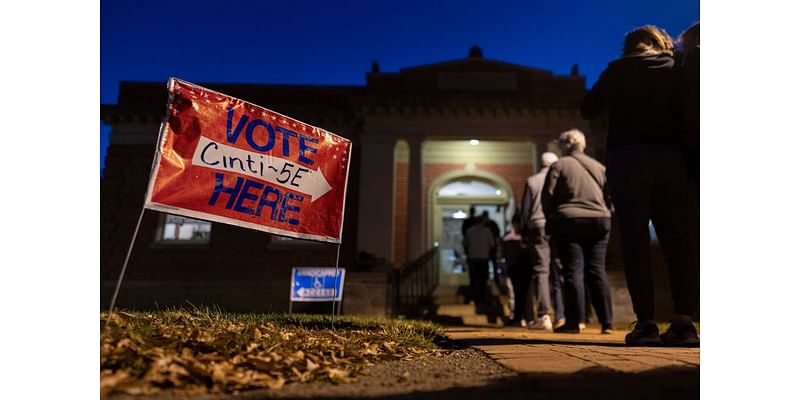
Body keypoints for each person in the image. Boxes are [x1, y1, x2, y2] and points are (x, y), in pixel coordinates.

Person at [581, 25, 700, 346]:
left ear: (629, 47)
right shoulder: (677, 68)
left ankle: (646, 324)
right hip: (670, 159)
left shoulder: (618, 70)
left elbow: (588, 108)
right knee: (678, 242)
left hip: (628, 160)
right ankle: (684, 323)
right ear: (661, 43)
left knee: (634, 242)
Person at [542, 129, 614, 334]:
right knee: (597, 269)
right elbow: (609, 194)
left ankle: (574, 321)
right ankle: (606, 322)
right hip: (600, 220)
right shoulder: (599, 167)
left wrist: (550, 216)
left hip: (568, 220)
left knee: (573, 270)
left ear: (564, 146)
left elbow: (548, 195)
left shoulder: (559, 165)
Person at [520, 152, 561, 330]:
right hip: (557, 225)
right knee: (560, 270)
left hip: (537, 226)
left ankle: (544, 314)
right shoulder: (560, 178)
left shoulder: (532, 181)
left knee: (541, 271)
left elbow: (525, 210)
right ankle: (562, 314)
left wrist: (524, 233)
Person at [502, 212, 532, 327]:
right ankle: (520, 317)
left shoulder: (512, 237)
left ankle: (523, 317)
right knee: (520, 293)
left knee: (523, 293)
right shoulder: (513, 237)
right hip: (516, 267)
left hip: (519, 267)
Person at [463, 213, 496, 307]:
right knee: (482, 280)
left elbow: (465, 244)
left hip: (473, 257)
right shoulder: (487, 231)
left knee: (473, 280)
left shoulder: (470, 231)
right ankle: (481, 299)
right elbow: (492, 244)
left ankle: (473, 298)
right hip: (483, 258)